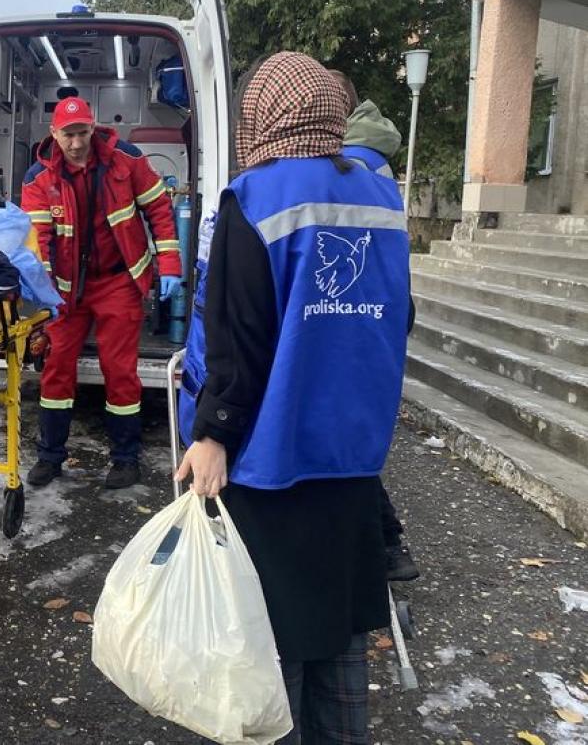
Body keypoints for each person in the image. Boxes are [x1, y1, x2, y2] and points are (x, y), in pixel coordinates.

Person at [176, 52, 412, 745]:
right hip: (353, 455)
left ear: (263, 115)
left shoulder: (255, 196)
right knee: (338, 635)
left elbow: (236, 333)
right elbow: (400, 316)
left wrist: (212, 432)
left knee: (270, 644)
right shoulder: (382, 198)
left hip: (271, 458)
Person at [22, 95, 182, 490]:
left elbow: (159, 210)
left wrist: (170, 266)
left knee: (120, 371)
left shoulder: (127, 159)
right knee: (56, 370)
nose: (76, 143)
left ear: (93, 128)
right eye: (68, 135)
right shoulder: (37, 178)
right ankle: (50, 456)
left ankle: (126, 459)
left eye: (82, 133)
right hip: (65, 289)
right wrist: (42, 292)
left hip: (118, 281)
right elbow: (38, 241)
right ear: (53, 133)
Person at [331, 68, 421, 582]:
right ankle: (385, 543)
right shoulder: (372, 154)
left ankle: (387, 543)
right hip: (380, 301)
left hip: (357, 306)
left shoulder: (353, 161)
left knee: (343, 436)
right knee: (350, 432)